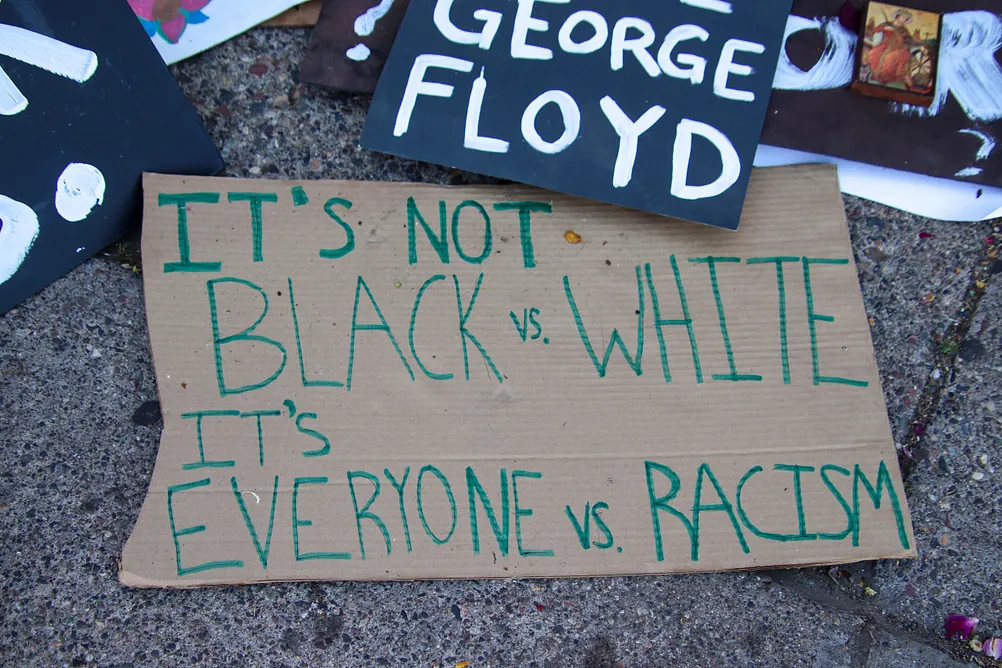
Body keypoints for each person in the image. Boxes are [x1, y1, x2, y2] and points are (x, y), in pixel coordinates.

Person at [864, 9, 919, 88]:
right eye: (903, 17)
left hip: (898, 48)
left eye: (906, 19)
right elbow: (876, 35)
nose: (904, 20)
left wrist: (895, 31)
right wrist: (885, 29)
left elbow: (909, 40)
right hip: (884, 46)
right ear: (898, 16)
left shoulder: (904, 29)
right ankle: (880, 75)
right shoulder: (886, 24)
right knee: (879, 55)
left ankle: (901, 76)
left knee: (904, 54)